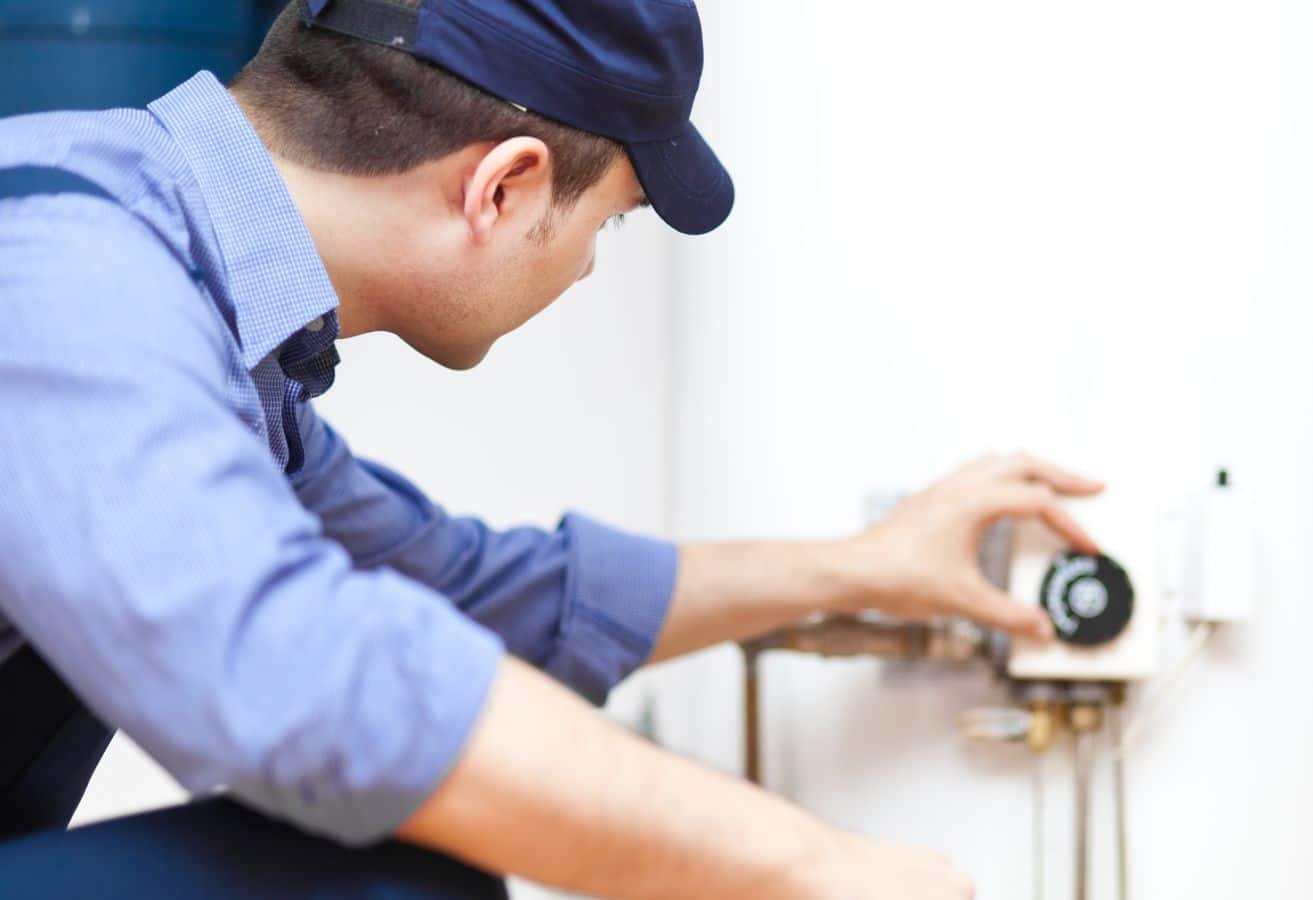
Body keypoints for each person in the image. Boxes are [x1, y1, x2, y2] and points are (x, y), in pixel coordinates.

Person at [0, 1, 1103, 897]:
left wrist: (861, 567)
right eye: (608, 223)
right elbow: (310, 678)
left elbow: (472, 593)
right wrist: (811, 867)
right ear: (506, 186)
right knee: (391, 879)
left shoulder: (217, 324)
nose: (585, 268)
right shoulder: (68, 268)